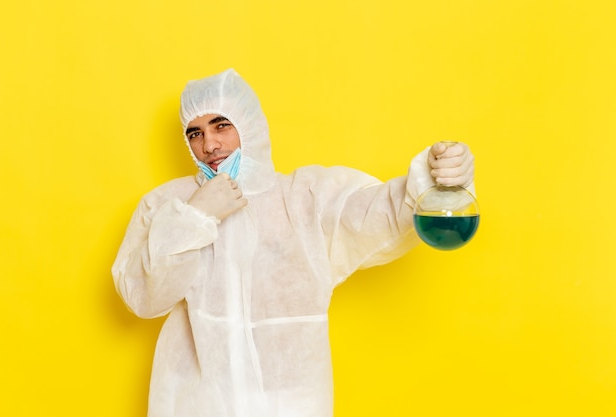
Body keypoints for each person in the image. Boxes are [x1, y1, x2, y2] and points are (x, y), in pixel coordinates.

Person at [112, 68, 475, 417]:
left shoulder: (305, 199)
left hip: (291, 404)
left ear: (250, 125)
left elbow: (381, 212)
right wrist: (193, 219)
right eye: (195, 133)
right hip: (195, 404)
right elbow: (142, 297)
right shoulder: (168, 205)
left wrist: (436, 179)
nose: (209, 144)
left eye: (222, 125)